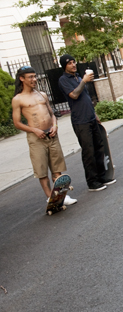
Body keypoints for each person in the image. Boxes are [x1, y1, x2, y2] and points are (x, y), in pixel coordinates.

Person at [11, 66, 77, 205]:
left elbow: (52, 114)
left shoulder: (42, 94)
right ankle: (50, 198)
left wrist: (55, 125)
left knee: (57, 167)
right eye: (30, 77)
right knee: (41, 170)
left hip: (51, 134)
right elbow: (17, 123)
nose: (34, 79)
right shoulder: (18, 99)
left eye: (34, 76)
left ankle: (61, 196)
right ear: (22, 79)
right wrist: (34, 130)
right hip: (36, 138)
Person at [58, 55, 116, 192]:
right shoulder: (63, 80)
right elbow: (74, 95)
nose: (73, 65)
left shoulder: (78, 77)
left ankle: (102, 177)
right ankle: (92, 182)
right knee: (88, 151)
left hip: (90, 118)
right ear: (64, 66)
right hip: (80, 121)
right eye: (69, 63)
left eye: (74, 62)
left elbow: (86, 97)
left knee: (99, 147)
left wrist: (94, 114)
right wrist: (83, 81)